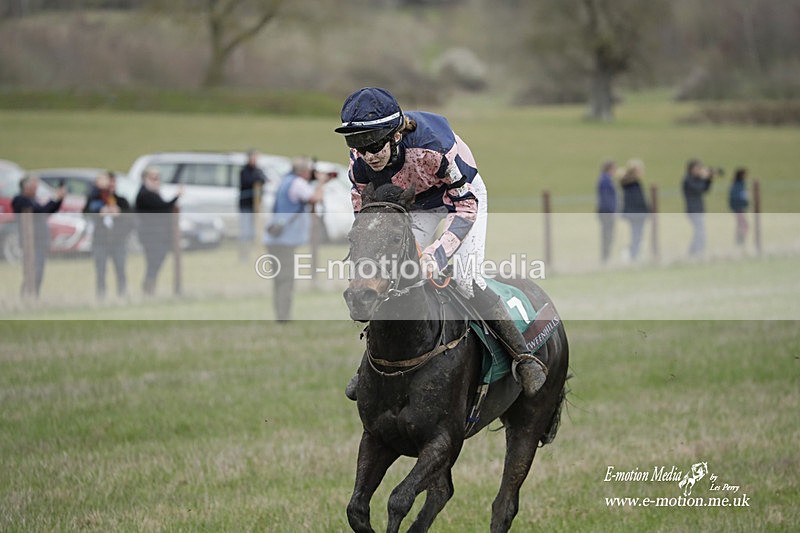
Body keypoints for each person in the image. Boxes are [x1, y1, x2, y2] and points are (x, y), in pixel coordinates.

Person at [334, 86, 547, 400]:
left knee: (464, 278)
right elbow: (366, 214)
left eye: (374, 145)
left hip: (463, 197)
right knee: (394, 276)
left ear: (394, 135)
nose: (367, 155)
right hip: (415, 203)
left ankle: (523, 358)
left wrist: (439, 251)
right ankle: (368, 367)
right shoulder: (360, 161)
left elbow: (466, 204)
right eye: (358, 146)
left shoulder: (433, 147)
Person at [264, 157, 330, 322]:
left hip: (275, 239)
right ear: (304, 172)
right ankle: (284, 318)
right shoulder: (298, 183)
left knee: (279, 280)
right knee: (286, 280)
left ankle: (281, 315)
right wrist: (321, 182)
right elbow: (315, 198)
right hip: (284, 241)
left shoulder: (285, 181)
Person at [11, 175, 65, 297]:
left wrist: (59, 199)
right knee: (31, 271)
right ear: (26, 187)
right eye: (34, 186)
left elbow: (48, 210)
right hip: (30, 243)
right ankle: (27, 296)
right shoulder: (20, 200)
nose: (36, 189)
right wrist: (54, 198)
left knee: (39, 271)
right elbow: (40, 211)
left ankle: (34, 296)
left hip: (40, 242)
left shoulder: (34, 200)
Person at [83, 171, 133, 299]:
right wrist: (100, 212)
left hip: (118, 242)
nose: (110, 185)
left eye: (112, 182)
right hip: (100, 241)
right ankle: (101, 297)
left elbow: (132, 220)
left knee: (121, 270)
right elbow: (86, 212)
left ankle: (122, 296)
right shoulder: (95, 199)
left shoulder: (121, 201)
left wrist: (119, 213)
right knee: (101, 271)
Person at [135, 167, 181, 295]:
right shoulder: (145, 194)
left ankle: (150, 288)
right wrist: (176, 197)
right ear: (145, 179)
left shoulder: (153, 192)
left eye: (158, 177)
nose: (157, 181)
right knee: (153, 263)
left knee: (155, 263)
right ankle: (148, 288)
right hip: (151, 237)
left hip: (159, 237)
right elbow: (163, 207)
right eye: (153, 178)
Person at [238, 149, 267, 261]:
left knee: (256, 232)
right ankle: (244, 256)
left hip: (256, 207)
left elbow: (263, 179)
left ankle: (256, 254)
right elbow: (248, 181)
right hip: (246, 206)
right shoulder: (244, 171)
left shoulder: (258, 170)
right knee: (246, 232)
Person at [682, 159, 714, 258]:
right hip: (692, 210)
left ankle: (696, 252)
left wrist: (709, 178)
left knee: (700, 232)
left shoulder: (696, 179)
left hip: (699, 209)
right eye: (697, 168)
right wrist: (704, 177)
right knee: (700, 232)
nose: (699, 170)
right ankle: (695, 252)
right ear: (691, 169)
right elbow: (698, 188)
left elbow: (705, 189)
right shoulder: (687, 180)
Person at [619, 159, 650, 262]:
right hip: (635, 214)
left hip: (637, 214)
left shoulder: (634, 183)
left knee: (638, 235)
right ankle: (632, 255)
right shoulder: (630, 184)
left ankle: (634, 255)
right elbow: (636, 201)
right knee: (636, 235)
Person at [596, 160, 617, 264]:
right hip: (606, 212)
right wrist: (611, 211)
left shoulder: (606, 179)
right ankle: (605, 258)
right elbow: (606, 199)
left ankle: (606, 257)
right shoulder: (605, 180)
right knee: (607, 235)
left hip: (606, 212)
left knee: (608, 235)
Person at [728, 167, 749, 247]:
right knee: (744, 225)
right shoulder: (737, 184)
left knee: (741, 225)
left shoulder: (739, 183)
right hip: (738, 208)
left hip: (739, 208)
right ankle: (740, 242)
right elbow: (736, 197)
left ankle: (739, 242)